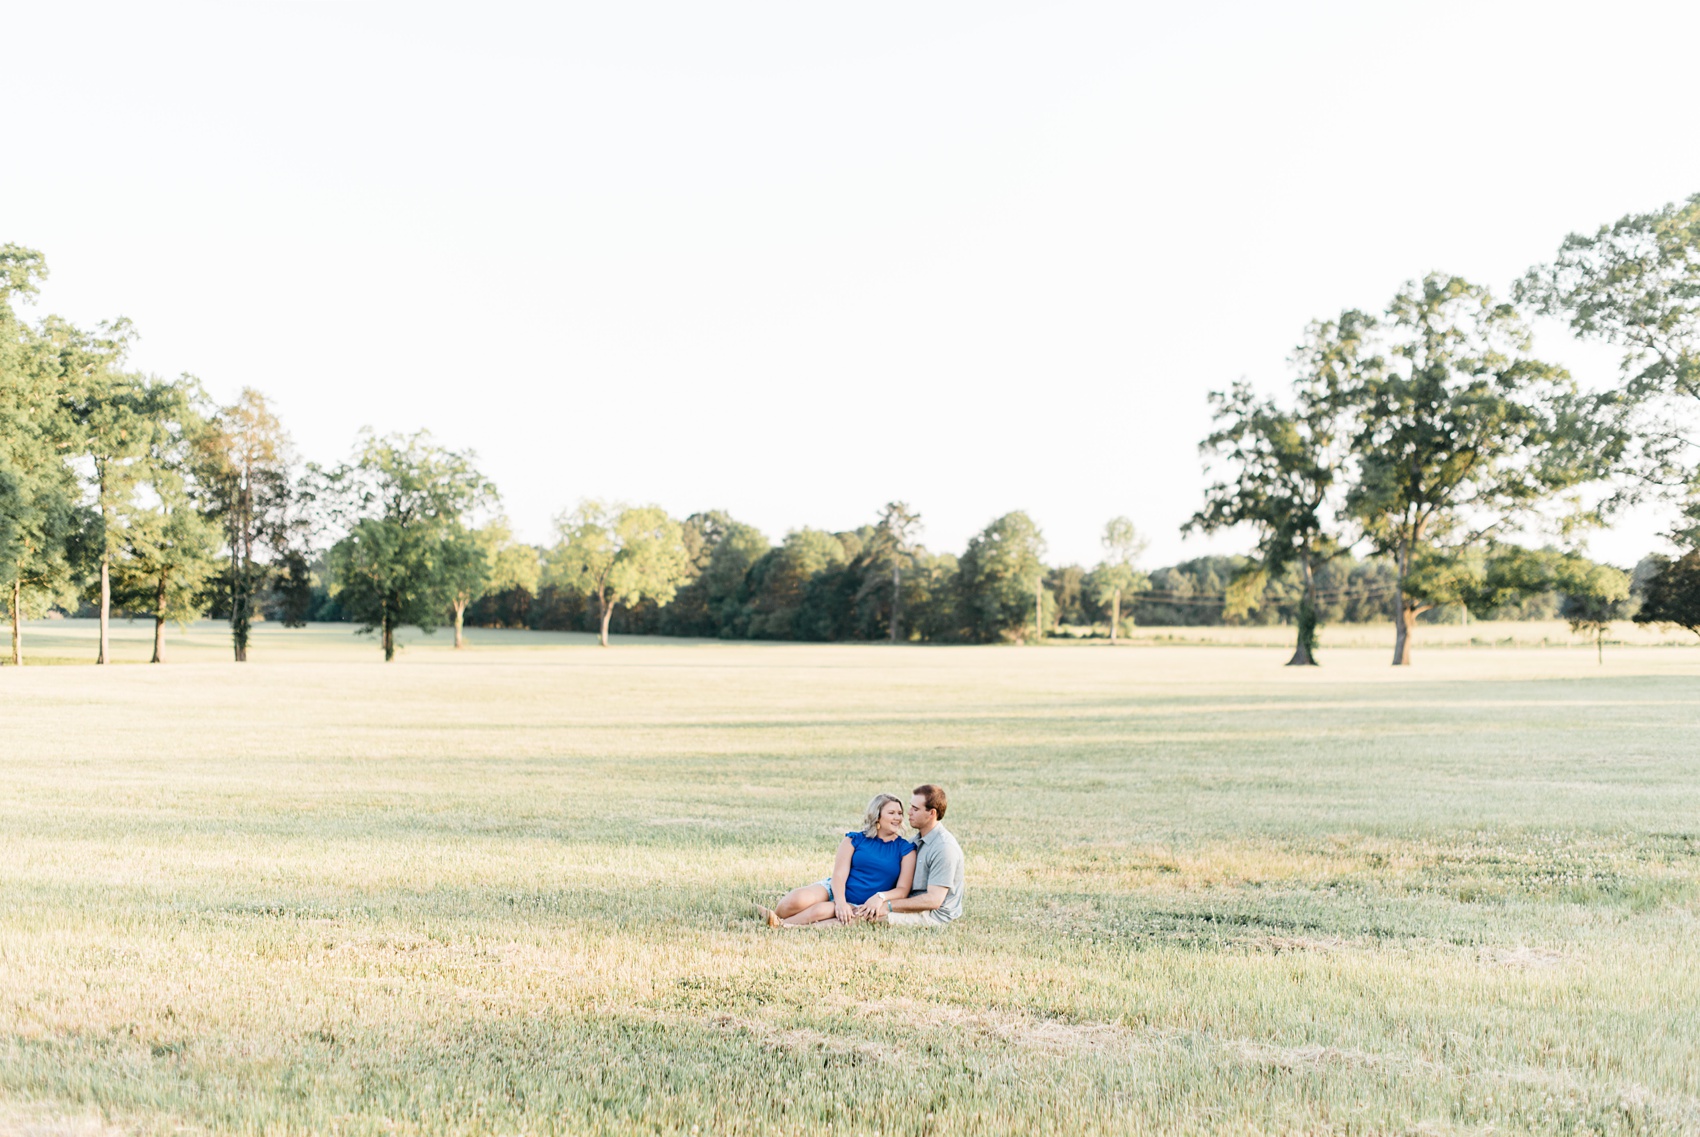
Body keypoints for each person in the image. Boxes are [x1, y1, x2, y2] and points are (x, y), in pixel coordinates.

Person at [758, 794, 915, 928]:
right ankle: (776, 917)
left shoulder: (905, 849)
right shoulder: (854, 839)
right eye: (892, 812)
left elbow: (902, 890)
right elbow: (839, 876)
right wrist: (840, 902)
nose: (898, 818)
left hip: (859, 902)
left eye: (900, 813)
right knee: (796, 900)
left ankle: (779, 925)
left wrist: (880, 897)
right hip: (836, 889)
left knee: (819, 911)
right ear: (877, 816)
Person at [855, 783, 963, 927]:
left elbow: (934, 900)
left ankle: (814, 929)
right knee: (858, 909)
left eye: (915, 809)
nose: (909, 812)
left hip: (933, 915)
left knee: (861, 917)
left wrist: (887, 905)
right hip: (910, 904)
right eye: (911, 806)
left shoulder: (944, 848)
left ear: (932, 813)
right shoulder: (915, 842)